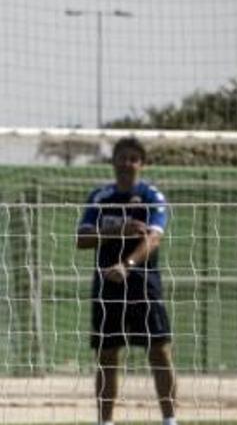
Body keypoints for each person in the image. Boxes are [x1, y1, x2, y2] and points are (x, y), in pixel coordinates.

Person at [76, 137, 176, 425]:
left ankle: (170, 420)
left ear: (142, 164)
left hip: (143, 284)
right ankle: (105, 422)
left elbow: (154, 238)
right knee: (108, 356)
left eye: (133, 158)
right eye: (122, 157)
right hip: (107, 285)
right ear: (113, 162)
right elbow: (82, 239)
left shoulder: (151, 196)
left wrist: (128, 264)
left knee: (159, 350)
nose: (127, 163)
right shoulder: (100, 197)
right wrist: (119, 230)